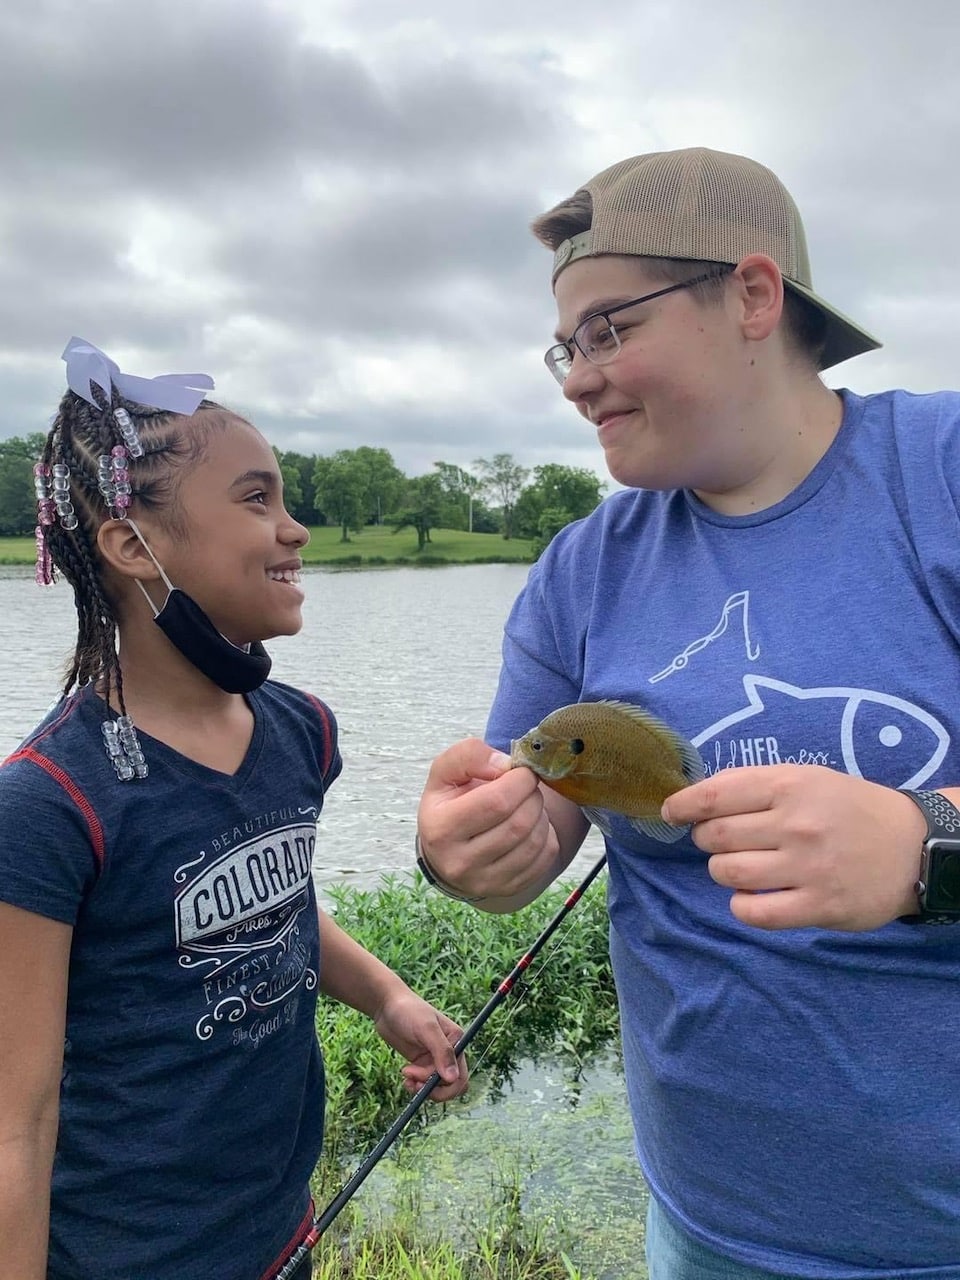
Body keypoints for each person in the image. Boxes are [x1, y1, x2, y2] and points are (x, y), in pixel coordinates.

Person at [415, 147, 960, 1278]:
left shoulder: (941, 470)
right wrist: (478, 850)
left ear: (753, 296)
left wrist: (929, 845)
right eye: (567, 346)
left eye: (610, 329)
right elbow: (547, 812)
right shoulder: (581, 567)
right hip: (710, 1227)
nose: (576, 378)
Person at [0, 338, 468, 1280]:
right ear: (133, 545)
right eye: (258, 500)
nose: (296, 529)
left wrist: (387, 997)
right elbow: (19, 1119)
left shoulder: (305, 730)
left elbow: (276, 901)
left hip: (276, 1232)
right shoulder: (48, 804)